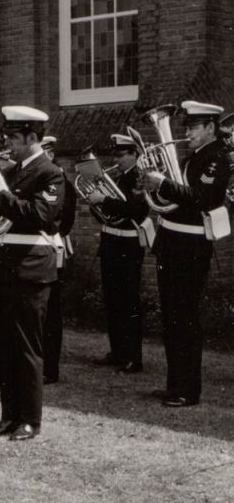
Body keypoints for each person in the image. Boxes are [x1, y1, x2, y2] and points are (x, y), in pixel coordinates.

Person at [0, 106, 64, 441]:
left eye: (13, 138)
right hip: (1, 267)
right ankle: (9, 415)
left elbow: (40, 215)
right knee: (2, 347)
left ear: (32, 137)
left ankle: (30, 419)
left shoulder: (51, 172)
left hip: (29, 268)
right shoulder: (11, 172)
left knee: (27, 348)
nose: (7, 144)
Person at [143, 101, 231, 407]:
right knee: (171, 317)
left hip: (191, 248)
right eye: (187, 127)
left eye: (193, 127)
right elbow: (176, 197)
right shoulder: (196, 156)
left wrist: (164, 183)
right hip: (173, 243)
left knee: (185, 318)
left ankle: (188, 390)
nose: (187, 133)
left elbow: (202, 199)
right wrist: (157, 185)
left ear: (210, 127)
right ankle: (175, 384)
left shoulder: (216, 158)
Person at [86, 134, 149, 374]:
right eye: (116, 154)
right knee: (112, 300)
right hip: (111, 243)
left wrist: (104, 199)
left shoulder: (139, 178)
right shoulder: (118, 177)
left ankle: (134, 357)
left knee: (129, 302)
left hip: (128, 246)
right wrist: (96, 203)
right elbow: (107, 213)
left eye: (122, 155)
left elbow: (134, 210)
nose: (117, 159)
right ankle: (117, 351)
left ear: (134, 154)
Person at [40, 136, 76, 384]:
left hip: (52, 247)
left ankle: (50, 368)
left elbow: (65, 221)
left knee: (51, 310)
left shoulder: (61, 181)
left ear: (51, 154)